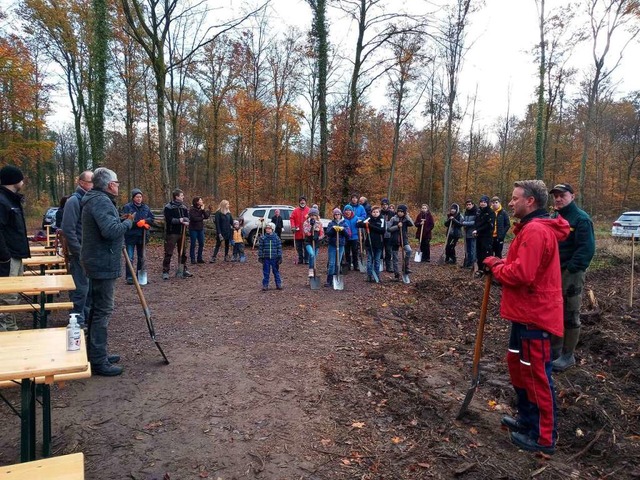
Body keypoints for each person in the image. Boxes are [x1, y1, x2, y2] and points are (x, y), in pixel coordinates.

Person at [483, 179, 569, 454]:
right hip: (523, 313)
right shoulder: (529, 230)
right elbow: (519, 266)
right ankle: (526, 420)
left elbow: (521, 274)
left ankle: (544, 437)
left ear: (530, 201)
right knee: (519, 369)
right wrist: (501, 264)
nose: (510, 202)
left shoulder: (535, 231)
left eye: (514, 198)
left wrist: (496, 266)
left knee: (536, 375)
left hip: (536, 316)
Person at [80, 167, 134, 376]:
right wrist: (128, 222)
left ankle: (95, 353)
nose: (118, 186)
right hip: (101, 263)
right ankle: (99, 360)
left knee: (96, 309)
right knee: (102, 310)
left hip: (98, 260)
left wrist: (120, 221)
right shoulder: (100, 201)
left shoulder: (96, 200)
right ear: (111, 185)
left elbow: (108, 226)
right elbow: (110, 231)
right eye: (117, 182)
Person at [549, 183, 596, 372]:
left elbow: (586, 249)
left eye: (563, 195)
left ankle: (568, 355)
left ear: (572, 196)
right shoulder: (555, 217)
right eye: (556, 196)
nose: (558, 199)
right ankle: (555, 350)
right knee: (555, 310)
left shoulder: (581, 219)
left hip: (571, 273)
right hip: (554, 271)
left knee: (570, 312)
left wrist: (570, 269)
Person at [61, 170, 94, 327]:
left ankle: (87, 318)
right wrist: (78, 251)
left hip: (90, 253)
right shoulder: (74, 201)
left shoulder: (89, 200)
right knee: (80, 289)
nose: (93, 184)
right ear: (81, 183)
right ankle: (77, 321)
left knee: (89, 289)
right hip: (80, 254)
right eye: (90, 181)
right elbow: (68, 229)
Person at [0, 165, 29, 332]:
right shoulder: (3, 200)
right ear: (14, 180)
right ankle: (5, 332)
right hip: (7, 258)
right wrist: (5, 257)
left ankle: (11, 328)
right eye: (21, 178)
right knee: (7, 297)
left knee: (14, 294)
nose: (23, 181)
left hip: (15, 256)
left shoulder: (11, 199)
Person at [122, 188, 155, 283]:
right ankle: (130, 277)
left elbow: (152, 218)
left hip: (142, 236)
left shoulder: (146, 208)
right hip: (131, 235)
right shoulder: (128, 207)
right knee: (130, 257)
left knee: (142, 257)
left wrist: (145, 221)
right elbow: (125, 220)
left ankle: (140, 276)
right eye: (137, 197)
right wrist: (136, 223)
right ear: (133, 198)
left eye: (140, 197)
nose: (139, 199)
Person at [162, 188, 192, 280]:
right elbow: (168, 220)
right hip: (172, 233)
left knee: (183, 253)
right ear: (176, 197)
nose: (183, 197)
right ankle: (165, 271)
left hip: (182, 232)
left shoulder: (184, 207)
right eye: (182, 195)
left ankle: (182, 269)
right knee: (169, 253)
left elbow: (187, 217)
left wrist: (186, 222)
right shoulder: (168, 207)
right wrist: (179, 220)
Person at [358, 205, 384, 282]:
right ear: (371, 212)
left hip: (379, 244)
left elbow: (382, 230)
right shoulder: (369, 218)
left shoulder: (381, 220)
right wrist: (360, 222)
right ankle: (369, 275)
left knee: (377, 261)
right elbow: (360, 224)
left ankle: (377, 275)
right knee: (369, 260)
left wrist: (370, 226)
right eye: (374, 212)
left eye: (377, 212)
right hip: (369, 243)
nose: (375, 213)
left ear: (379, 212)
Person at [388, 204, 414, 281]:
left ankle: (405, 267)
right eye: (399, 211)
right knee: (395, 258)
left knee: (409, 251)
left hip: (404, 239)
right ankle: (396, 274)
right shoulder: (393, 219)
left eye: (402, 212)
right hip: (394, 240)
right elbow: (388, 229)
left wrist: (407, 216)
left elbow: (412, 224)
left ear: (405, 212)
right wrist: (397, 226)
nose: (400, 213)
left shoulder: (406, 219)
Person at [325, 208, 350, 287]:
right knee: (332, 263)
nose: (337, 216)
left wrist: (342, 230)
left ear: (341, 215)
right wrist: (333, 229)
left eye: (338, 214)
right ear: (334, 215)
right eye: (335, 214)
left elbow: (348, 235)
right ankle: (329, 280)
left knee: (338, 263)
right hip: (332, 245)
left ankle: (336, 277)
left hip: (341, 245)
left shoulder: (344, 223)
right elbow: (328, 233)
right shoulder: (331, 223)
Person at [473, 195, 496, 277]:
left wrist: (478, 230)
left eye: (484, 202)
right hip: (479, 236)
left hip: (487, 237)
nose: (482, 204)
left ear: (487, 203)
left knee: (486, 253)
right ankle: (480, 269)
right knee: (479, 253)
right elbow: (476, 222)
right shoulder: (479, 212)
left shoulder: (490, 212)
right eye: (481, 202)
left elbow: (488, 225)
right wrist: (476, 230)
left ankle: (487, 270)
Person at [258, 222, 282, 290]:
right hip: (266, 258)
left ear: (273, 229)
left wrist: (279, 256)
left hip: (274, 258)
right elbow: (260, 248)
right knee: (266, 272)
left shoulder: (276, 238)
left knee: (276, 272)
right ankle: (265, 285)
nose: (267, 230)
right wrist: (260, 256)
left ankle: (278, 284)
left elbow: (279, 248)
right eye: (266, 228)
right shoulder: (263, 238)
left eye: (269, 228)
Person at [303, 207, 325, 279]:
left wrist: (318, 237)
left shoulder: (319, 223)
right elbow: (306, 232)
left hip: (316, 243)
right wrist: (311, 226)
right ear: (309, 215)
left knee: (314, 258)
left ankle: (314, 271)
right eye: (311, 215)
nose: (313, 217)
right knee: (311, 255)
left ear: (317, 216)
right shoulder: (306, 222)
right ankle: (311, 270)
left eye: (314, 215)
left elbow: (322, 234)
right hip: (308, 242)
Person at [188, 196, 210, 264]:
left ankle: (199, 258)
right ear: (197, 202)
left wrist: (203, 210)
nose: (202, 201)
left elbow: (206, 216)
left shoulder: (201, 209)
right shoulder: (192, 209)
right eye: (200, 200)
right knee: (193, 244)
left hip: (200, 229)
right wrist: (201, 218)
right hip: (193, 229)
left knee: (201, 243)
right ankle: (192, 259)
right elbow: (194, 219)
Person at [290, 196, 310, 264]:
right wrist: (293, 226)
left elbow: (312, 219)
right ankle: (300, 259)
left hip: (306, 233)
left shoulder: (309, 210)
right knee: (299, 247)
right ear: (299, 202)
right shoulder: (295, 210)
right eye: (301, 201)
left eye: (303, 201)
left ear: (305, 202)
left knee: (306, 247)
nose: (302, 202)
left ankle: (306, 259)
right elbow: (292, 218)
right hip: (298, 232)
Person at [342, 204, 360, 271]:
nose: (348, 211)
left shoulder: (356, 218)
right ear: (344, 211)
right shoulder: (343, 219)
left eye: (349, 210)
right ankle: (348, 265)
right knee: (347, 252)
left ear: (351, 211)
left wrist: (359, 223)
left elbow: (360, 224)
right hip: (346, 237)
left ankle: (356, 265)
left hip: (354, 237)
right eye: (346, 210)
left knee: (355, 251)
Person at [461, 199, 478, 268]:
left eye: (469, 204)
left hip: (473, 233)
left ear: (473, 205)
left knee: (473, 249)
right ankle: (467, 262)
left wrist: (464, 223)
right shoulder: (466, 212)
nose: (468, 206)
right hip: (466, 233)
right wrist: (463, 222)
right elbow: (463, 220)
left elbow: (475, 222)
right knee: (467, 249)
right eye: (467, 205)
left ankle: (473, 263)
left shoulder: (476, 212)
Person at [381, 198, 394, 272]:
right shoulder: (379, 213)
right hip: (380, 235)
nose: (384, 206)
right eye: (383, 204)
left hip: (389, 235)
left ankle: (388, 266)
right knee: (380, 251)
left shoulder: (392, 213)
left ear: (388, 205)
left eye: (386, 204)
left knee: (388, 251)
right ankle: (380, 265)